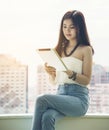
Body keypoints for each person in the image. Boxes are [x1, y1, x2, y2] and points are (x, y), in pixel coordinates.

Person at [31, 10, 94, 130]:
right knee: (47, 117)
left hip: (78, 99)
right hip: (61, 95)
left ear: (79, 28)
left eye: (71, 27)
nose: (67, 30)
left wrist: (71, 73)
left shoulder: (86, 49)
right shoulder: (59, 49)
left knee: (41, 99)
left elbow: (86, 80)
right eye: (64, 27)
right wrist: (51, 74)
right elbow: (55, 81)